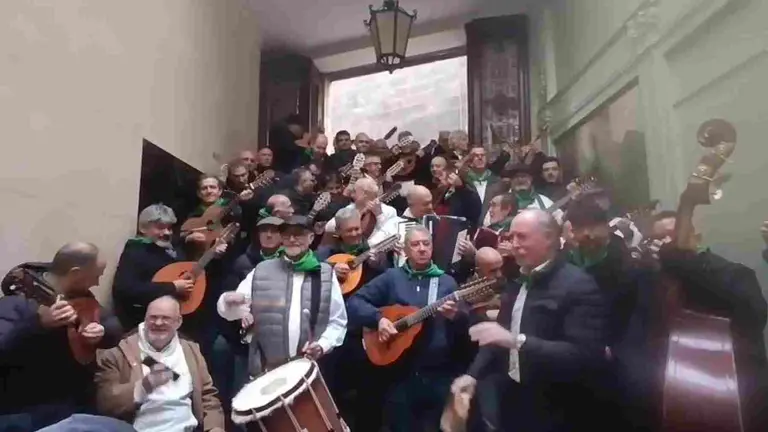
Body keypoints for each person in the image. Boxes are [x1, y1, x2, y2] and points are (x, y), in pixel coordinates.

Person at [455, 209, 607, 432]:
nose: (514, 244)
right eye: (511, 237)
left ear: (548, 239)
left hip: (558, 407)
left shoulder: (578, 285)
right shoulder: (519, 280)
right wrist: (472, 376)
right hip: (516, 397)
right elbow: (499, 334)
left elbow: (584, 355)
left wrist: (517, 341)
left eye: (522, 236)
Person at [638, 210, 768, 432]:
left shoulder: (733, 274)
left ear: (696, 237)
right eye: (659, 240)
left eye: (674, 235)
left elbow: (755, 316)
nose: (668, 244)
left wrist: (683, 263)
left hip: (736, 399)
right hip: (670, 400)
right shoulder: (650, 283)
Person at [347, 225, 467, 431]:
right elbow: (355, 302)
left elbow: (465, 327)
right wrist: (379, 320)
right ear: (405, 250)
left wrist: (456, 316)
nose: (421, 248)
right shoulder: (392, 278)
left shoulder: (447, 282)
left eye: (426, 243)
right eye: (415, 244)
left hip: (437, 374)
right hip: (399, 375)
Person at [0, 243, 122, 431]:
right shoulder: (14, 303)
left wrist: (101, 331)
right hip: (26, 412)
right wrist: (38, 324)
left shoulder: (83, 298)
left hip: (76, 407)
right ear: (75, 273)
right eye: (96, 276)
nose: (98, 283)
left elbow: (113, 327)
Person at [217, 215, 347, 376]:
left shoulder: (325, 274)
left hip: (308, 369)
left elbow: (338, 321)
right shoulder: (261, 270)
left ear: (311, 237)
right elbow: (231, 310)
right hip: (266, 369)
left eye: (298, 234)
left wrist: (322, 345)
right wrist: (228, 301)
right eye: (287, 235)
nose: (292, 239)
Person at [95, 296, 225, 432]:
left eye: (165, 318)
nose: (158, 322)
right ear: (145, 319)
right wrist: (143, 386)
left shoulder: (191, 350)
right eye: (153, 317)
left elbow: (208, 397)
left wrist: (215, 427)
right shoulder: (118, 353)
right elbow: (105, 403)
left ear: (178, 322)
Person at [112, 204, 191, 331]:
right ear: (143, 228)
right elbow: (125, 289)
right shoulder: (135, 251)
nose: (166, 232)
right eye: (160, 228)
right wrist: (173, 287)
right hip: (143, 321)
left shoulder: (171, 248)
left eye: (169, 228)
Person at [324, 177, 397, 241]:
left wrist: (379, 215)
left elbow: (391, 236)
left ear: (364, 194)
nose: (351, 194)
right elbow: (329, 227)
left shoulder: (389, 211)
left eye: (354, 191)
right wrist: (358, 214)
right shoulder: (350, 208)